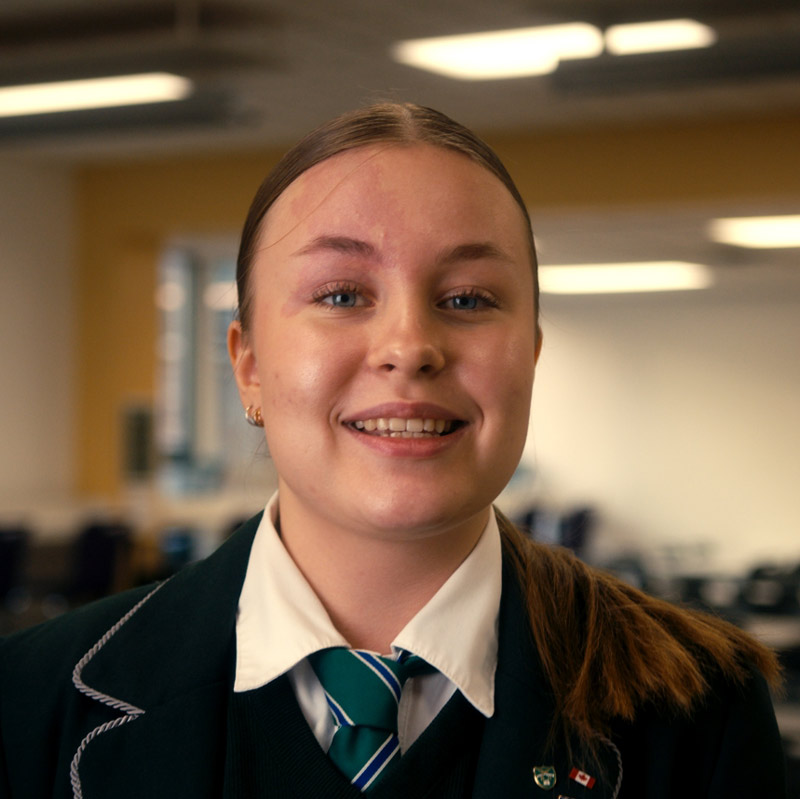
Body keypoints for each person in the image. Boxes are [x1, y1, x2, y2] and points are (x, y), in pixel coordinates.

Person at [0, 103, 786, 798]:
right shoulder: (31, 699)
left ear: (531, 355)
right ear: (248, 367)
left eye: (468, 299)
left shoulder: (700, 707)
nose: (410, 347)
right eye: (342, 295)